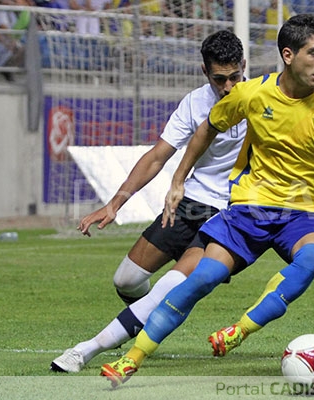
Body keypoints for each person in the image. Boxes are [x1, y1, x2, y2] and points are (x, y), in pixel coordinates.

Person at [100, 14, 314, 387]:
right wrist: (179, 179)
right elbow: (208, 127)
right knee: (201, 278)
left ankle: (240, 330)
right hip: (249, 208)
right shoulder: (251, 94)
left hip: (306, 213)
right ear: (288, 55)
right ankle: (132, 357)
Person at [49, 29, 247, 373]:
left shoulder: (260, 100)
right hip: (189, 204)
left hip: (228, 213)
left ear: (244, 66)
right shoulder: (195, 103)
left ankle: (86, 349)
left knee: (170, 285)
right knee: (126, 280)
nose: (228, 86)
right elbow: (157, 156)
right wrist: (115, 203)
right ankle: (153, 317)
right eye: (220, 79)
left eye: (235, 77)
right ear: (205, 73)